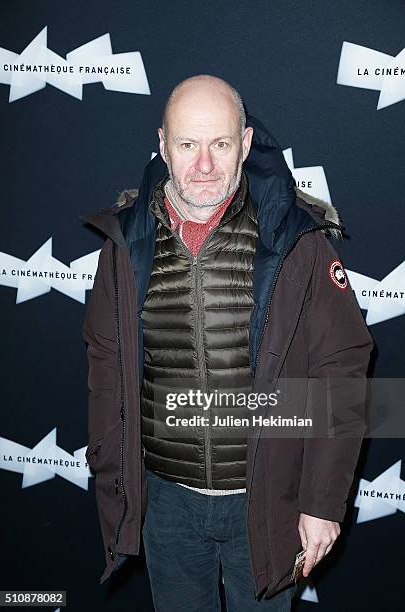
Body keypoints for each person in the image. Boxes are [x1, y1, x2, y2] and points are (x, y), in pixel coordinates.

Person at [80, 75, 374, 611]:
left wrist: (323, 501)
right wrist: (116, 481)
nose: (205, 166)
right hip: (164, 503)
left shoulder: (296, 240)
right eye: (188, 145)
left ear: (244, 143)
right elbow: (106, 369)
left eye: (220, 144)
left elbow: (342, 365)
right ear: (164, 146)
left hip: (265, 504)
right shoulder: (123, 245)